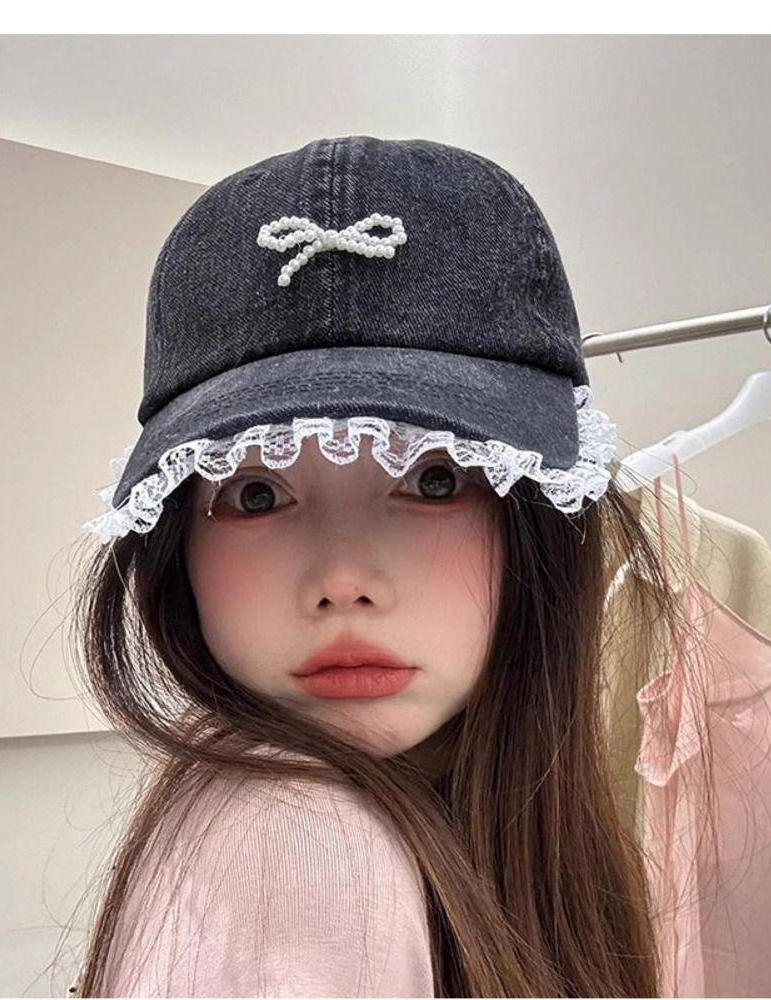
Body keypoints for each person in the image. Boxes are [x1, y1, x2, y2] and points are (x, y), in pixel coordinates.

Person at [66, 136, 692, 997]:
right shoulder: (303, 847)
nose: (343, 581)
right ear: (177, 542)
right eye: (256, 493)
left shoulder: (400, 812)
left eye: (433, 479)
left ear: (537, 518)